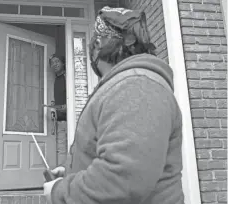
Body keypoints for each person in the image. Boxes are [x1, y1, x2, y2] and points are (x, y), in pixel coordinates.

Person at [44, 6, 185, 204]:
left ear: (103, 43)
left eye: (96, 40)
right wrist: (71, 172)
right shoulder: (123, 85)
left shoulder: (137, 87)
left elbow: (122, 178)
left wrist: (60, 192)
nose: (92, 46)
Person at [49, 54, 67, 121]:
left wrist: (68, 106)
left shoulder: (68, 77)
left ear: (63, 63)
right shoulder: (55, 80)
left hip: (70, 118)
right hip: (58, 120)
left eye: (57, 61)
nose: (54, 64)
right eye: (52, 63)